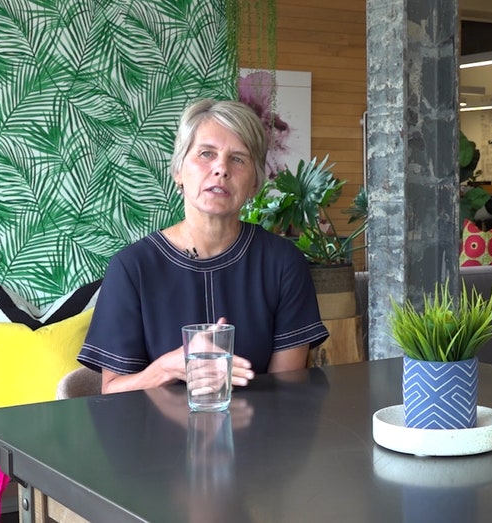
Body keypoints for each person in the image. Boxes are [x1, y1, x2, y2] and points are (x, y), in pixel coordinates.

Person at [78, 99, 329, 393]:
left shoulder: (282, 262)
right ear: (178, 172)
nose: (221, 168)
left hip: (260, 432)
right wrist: (169, 367)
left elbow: (286, 388)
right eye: (206, 154)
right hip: (154, 435)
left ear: (254, 185)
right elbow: (113, 390)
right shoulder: (132, 268)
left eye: (238, 159)